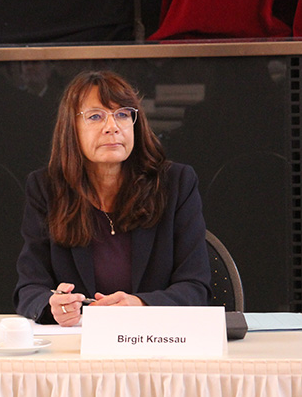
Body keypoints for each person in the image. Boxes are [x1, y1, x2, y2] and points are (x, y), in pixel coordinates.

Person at [14, 70, 210, 325]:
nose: (112, 127)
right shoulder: (47, 189)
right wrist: (53, 305)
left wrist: (141, 304)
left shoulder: (175, 183)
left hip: (157, 340)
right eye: (95, 116)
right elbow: (28, 289)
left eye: (122, 114)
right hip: (79, 344)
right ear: (70, 128)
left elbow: (196, 287)